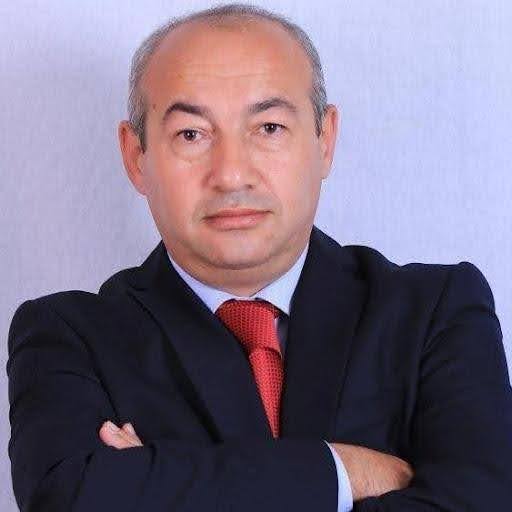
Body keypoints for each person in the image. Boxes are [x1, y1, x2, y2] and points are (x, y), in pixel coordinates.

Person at [6, 3, 512, 511]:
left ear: (325, 140)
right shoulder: (69, 337)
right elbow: (69, 500)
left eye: (268, 128)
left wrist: (162, 482)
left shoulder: (435, 312)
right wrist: (342, 471)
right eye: (191, 134)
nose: (231, 174)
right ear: (135, 156)